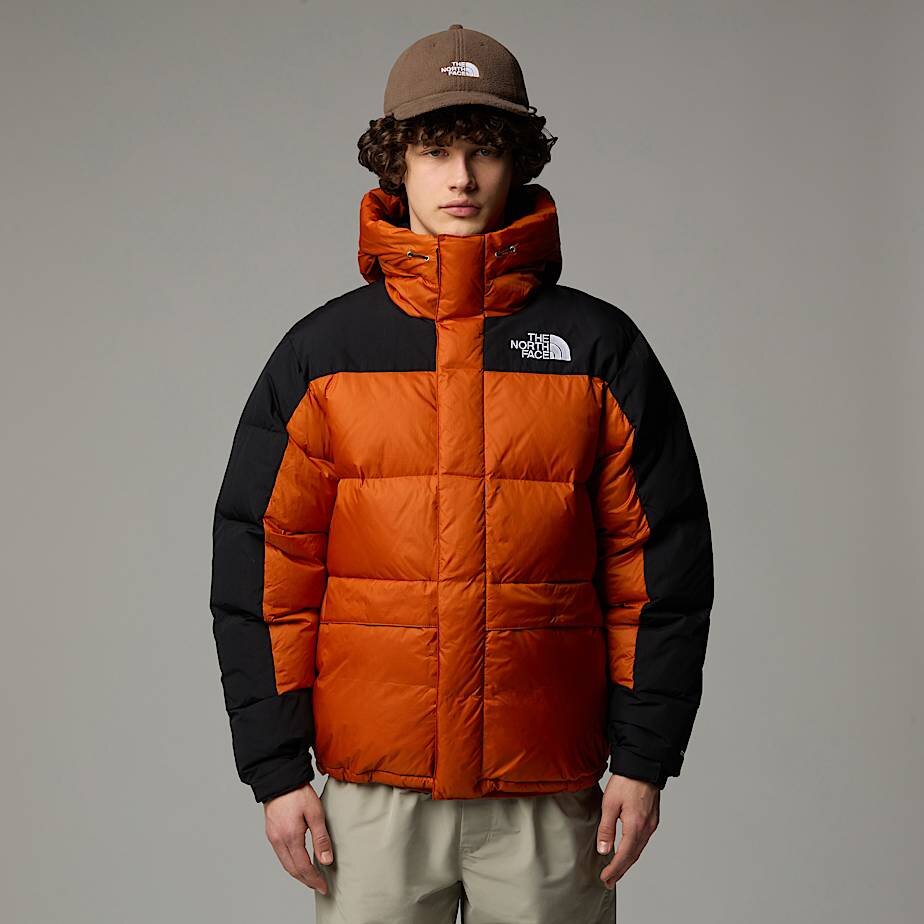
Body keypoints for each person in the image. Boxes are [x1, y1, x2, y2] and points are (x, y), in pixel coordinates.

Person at [209, 23, 713, 924]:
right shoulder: (323, 355)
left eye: (485, 150)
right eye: (436, 151)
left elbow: (661, 570)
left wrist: (644, 760)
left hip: (547, 798)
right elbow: (262, 573)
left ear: (518, 163)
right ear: (395, 165)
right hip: (373, 803)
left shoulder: (599, 350)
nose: (462, 178)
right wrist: (276, 771)